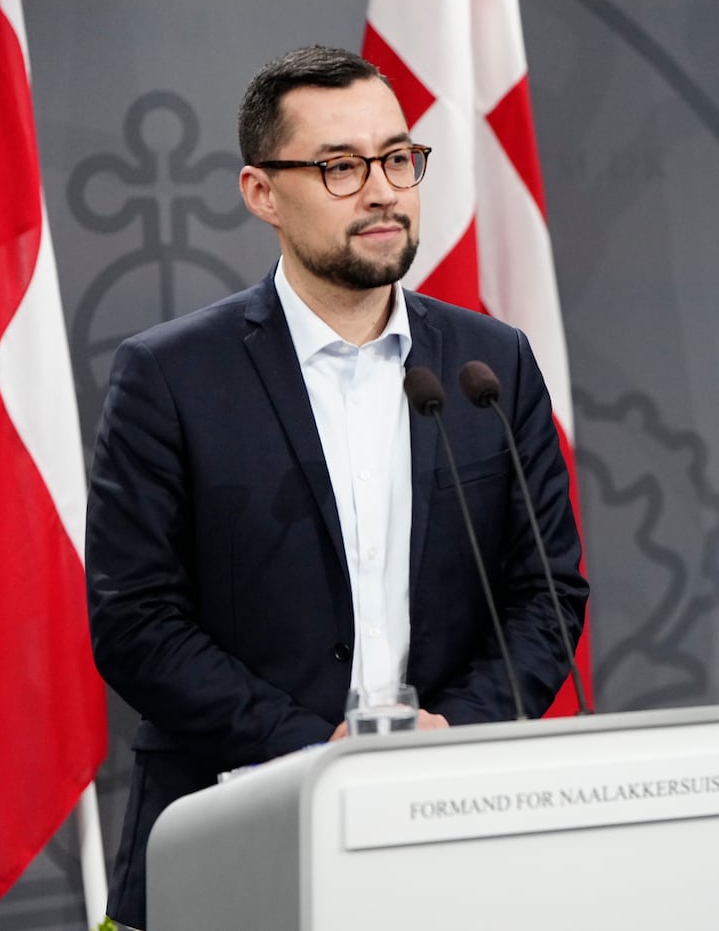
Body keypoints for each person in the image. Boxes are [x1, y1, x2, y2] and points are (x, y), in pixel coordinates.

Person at [85, 45, 587, 928]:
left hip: (451, 837)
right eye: (340, 167)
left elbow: (546, 592)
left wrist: (453, 730)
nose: (383, 190)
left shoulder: (488, 364)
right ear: (261, 194)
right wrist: (316, 753)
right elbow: (135, 622)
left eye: (398, 158)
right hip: (234, 836)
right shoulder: (169, 377)